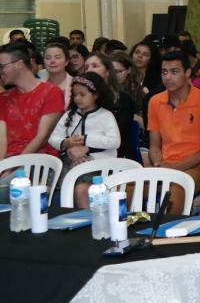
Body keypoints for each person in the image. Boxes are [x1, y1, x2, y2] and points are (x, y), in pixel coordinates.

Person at [145, 50, 200, 212]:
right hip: (164, 164)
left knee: (175, 191)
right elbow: (154, 146)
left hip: (198, 167)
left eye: (174, 72)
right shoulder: (155, 102)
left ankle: (168, 236)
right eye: (164, 72)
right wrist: (158, 165)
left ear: (187, 73)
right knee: (127, 187)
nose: (168, 77)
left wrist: (174, 168)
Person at [0, 43, 65, 199]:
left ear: (20, 65)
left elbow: (42, 137)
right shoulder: (4, 98)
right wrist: (2, 166)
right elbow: (2, 139)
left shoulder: (51, 92)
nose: (0, 71)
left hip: (39, 162)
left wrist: (10, 167)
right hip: (9, 164)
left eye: (2, 66)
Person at [49, 73, 120, 208]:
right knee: (49, 187)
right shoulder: (69, 115)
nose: (77, 99)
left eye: (82, 95)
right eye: (75, 95)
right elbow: (53, 138)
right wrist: (67, 143)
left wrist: (86, 141)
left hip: (98, 164)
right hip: (70, 162)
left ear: (96, 95)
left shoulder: (105, 115)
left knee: (80, 189)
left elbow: (114, 141)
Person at [84, 52, 139, 161]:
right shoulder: (81, 98)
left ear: (108, 71)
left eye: (95, 66)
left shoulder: (123, 99)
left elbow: (116, 137)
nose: (89, 70)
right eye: (86, 67)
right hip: (84, 155)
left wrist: (85, 147)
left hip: (116, 157)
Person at [43, 41, 74, 109]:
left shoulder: (75, 84)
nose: (52, 61)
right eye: (48, 58)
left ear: (67, 61)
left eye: (57, 57)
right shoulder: (38, 85)